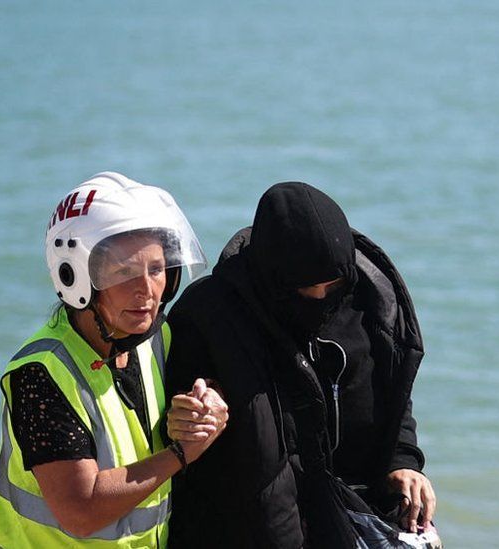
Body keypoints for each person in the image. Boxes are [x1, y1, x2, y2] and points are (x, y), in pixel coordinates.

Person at [165, 182, 439, 548]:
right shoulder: (206, 317)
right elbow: (175, 416)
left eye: (332, 285)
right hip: (245, 529)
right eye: (303, 289)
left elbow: (393, 392)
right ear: (270, 273)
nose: (320, 298)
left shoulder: (367, 301)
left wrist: (402, 460)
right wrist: (192, 413)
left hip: (357, 515)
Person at [0, 172, 228, 548]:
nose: (146, 291)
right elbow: (81, 511)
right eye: (124, 272)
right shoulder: (40, 375)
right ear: (75, 277)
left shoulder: (153, 336)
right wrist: (180, 453)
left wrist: (206, 402)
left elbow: (196, 393)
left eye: (157, 269)